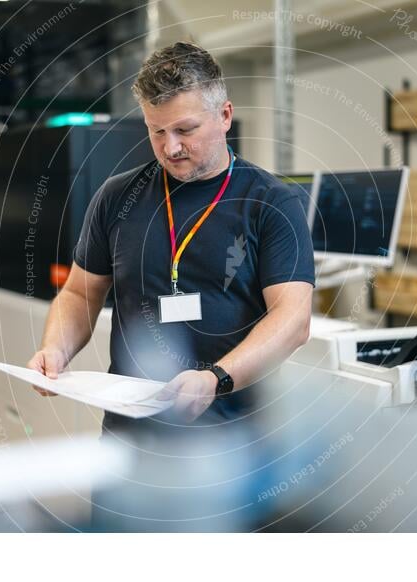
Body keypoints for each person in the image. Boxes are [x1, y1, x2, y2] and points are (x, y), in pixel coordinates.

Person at [27, 41, 314, 433]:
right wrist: (55, 349)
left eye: (185, 130)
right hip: (130, 436)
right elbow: (80, 294)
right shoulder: (117, 197)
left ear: (225, 115)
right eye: (156, 131)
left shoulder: (272, 203)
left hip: (229, 439)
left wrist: (216, 378)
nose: (170, 147)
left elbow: (293, 319)